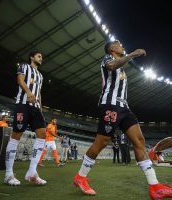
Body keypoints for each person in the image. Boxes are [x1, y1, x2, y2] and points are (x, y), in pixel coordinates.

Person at [73, 40, 172, 199]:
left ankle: (155, 186)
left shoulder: (122, 69)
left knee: (139, 140)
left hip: (124, 108)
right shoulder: (106, 59)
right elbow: (112, 66)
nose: (122, 46)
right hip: (110, 106)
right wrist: (133, 54)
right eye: (119, 44)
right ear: (112, 49)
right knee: (102, 142)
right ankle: (80, 177)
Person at [4, 50, 47, 186]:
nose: (41, 58)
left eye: (41, 57)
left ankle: (32, 172)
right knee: (16, 136)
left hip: (35, 108)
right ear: (32, 57)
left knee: (42, 135)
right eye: (39, 56)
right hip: (23, 105)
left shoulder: (40, 75)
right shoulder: (24, 66)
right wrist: (28, 92)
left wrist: (40, 107)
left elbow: (38, 92)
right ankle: (8, 175)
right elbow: (20, 80)